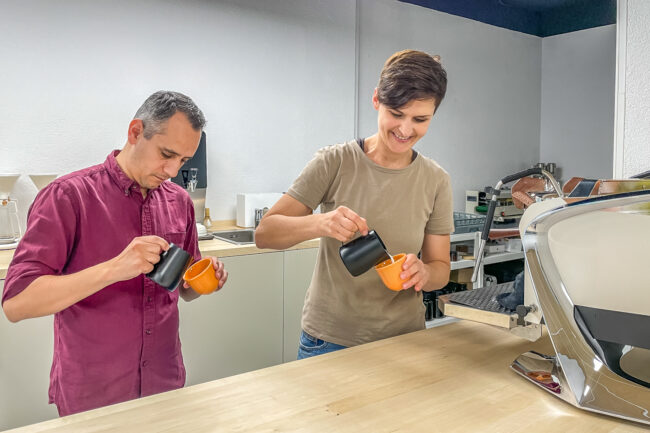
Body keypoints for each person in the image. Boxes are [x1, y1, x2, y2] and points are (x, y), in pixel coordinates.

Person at [2, 90, 228, 416]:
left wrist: (203, 281)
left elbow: (182, 289)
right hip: (93, 395)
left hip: (165, 385)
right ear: (135, 132)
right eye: (166, 154)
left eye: (183, 160)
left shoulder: (179, 202)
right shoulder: (67, 197)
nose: (171, 169)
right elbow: (16, 304)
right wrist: (115, 268)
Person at [255, 50, 454, 359]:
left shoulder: (436, 180)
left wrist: (425, 274)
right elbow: (265, 233)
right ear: (377, 99)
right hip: (329, 340)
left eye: (420, 119)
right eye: (396, 113)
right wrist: (321, 223)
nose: (405, 130)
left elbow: (441, 267)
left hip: (405, 340)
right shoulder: (334, 162)